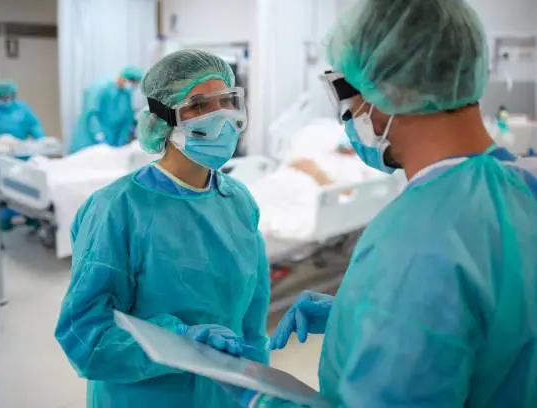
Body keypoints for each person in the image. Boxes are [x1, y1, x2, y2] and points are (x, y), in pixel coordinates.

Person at [227, 0, 537, 406]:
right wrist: (361, 313)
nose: (350, 116)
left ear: (383, 94)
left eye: (346, 95)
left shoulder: (419, 240)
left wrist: (258, 399)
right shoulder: (523, 182)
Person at [55, 49, 270, 408]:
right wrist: (180, 341)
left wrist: (257, 387)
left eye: (226, 102)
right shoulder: (116, 209)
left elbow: (252, 319)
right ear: (163, 119)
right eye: (200, 106)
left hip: (223, 395)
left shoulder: (239, 202)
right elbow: (86, 335)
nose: (220, 117)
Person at [68, 66, 143, 154]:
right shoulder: (100, 88)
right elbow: (92, 115)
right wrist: (98, 135)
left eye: (135, 83)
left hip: (112, 142)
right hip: (88, 140)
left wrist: (122, 139)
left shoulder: (126, 95)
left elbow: (127, 119)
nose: (132, 85)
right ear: (121, 77)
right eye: (131, 81)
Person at [0, 80, 44, 149]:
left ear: (13, 96)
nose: (5, 100)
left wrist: (41, 141)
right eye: (2, 98)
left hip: (20, 153)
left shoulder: (22, 108)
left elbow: (34, 126)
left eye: (7, 97)